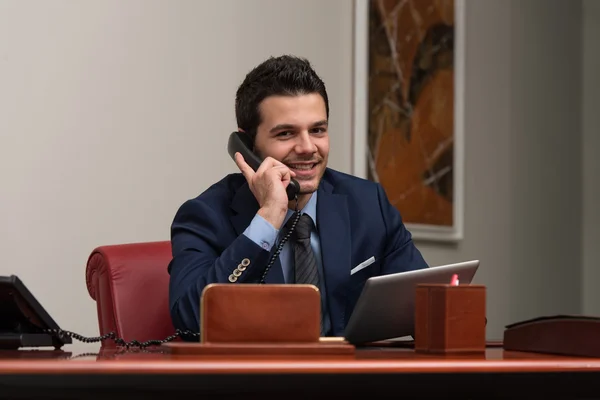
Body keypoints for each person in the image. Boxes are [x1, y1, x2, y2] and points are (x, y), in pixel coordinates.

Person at [168, 55, 428, 338]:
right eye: (285, 133)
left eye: (317, 130)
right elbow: (191, 320)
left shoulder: (368, 204)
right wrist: (267, 218)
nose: (307, 148)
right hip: (256, 381)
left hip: (349, 380)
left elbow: (430, 308)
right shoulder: (204, 216)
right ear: (246, 145)